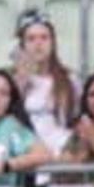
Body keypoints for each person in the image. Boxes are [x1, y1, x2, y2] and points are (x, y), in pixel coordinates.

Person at [12, 14, 78, 157]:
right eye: (31, 39)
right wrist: (22, 80)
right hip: (24, 151)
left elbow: (74, 119)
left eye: (44, 37)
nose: (38, 43)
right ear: (22, 45)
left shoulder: (69, 80)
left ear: (53, 43)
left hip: (60, 149)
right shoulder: (11, 82)